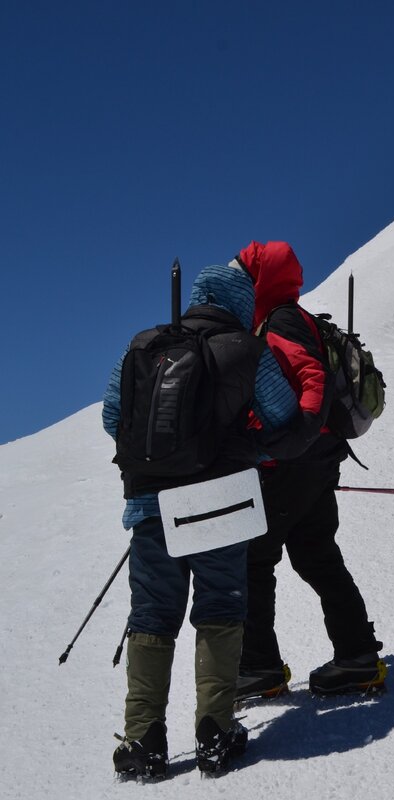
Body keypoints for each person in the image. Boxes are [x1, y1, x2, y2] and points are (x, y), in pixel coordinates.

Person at [104, 260, 300, 779]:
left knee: (151, 616)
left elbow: (110, 416)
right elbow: (282, 414)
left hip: (150, 509)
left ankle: (142, 738)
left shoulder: (143, 344)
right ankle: (214, 730)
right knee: (219, 608)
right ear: (240, 304)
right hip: (219, 504)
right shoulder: (246, 349)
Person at [235, 241, 386, 702]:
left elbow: (309, 382)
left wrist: (286, 443)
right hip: (316, 462)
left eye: (246, 273)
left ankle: (259, 666)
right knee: (317, 555)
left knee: (254, 560)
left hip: (292, 464)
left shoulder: (279, 321)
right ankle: (357, 654)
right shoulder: (295, 319)